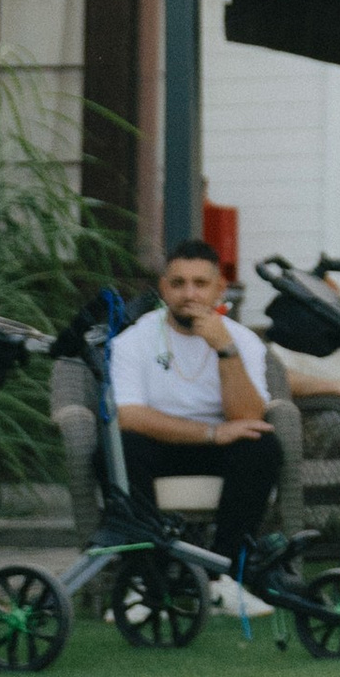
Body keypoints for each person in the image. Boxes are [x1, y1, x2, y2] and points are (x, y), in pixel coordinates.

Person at [109, 241, 283, 571]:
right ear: (164, 288)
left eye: (200, 284)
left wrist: (225, 349)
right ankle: (146, 575)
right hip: (156, 444)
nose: (189, 294)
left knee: (261, 446)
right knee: (119, 448)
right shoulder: (133, 340)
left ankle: (226, 570)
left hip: (219, 450)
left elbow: (247, 417)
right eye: (178, 284)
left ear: (220, 289)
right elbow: (127, 415)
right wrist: (211, 432)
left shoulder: (243, 341)